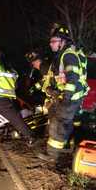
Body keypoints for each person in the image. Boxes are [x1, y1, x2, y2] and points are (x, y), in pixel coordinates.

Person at [37, 26, 88, 163]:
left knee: (59, 123)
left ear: (62, 41)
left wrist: (66, 97)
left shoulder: (68, 55)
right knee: (69, 123)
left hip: (71, 97)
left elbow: (73, 78)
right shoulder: (65, 55)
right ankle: (71, 148)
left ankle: (52, 155)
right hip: (73, 96)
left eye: (53, 41)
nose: (51, 44)